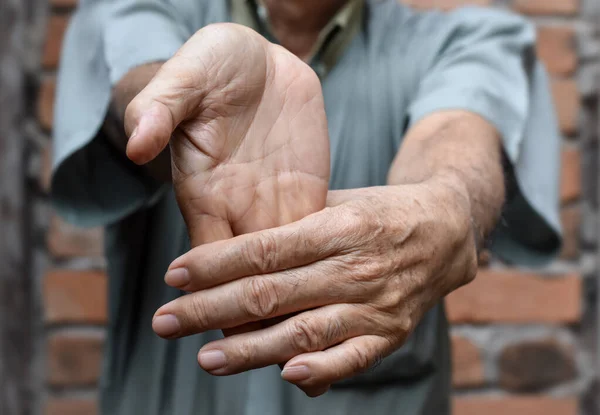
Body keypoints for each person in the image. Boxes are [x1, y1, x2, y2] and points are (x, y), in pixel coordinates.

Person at [51, 0, 562, 414]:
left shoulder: (469, 41)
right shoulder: (137, 9)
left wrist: (449, 202)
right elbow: (141, 86)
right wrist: (183, 106)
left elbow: (458, 132)